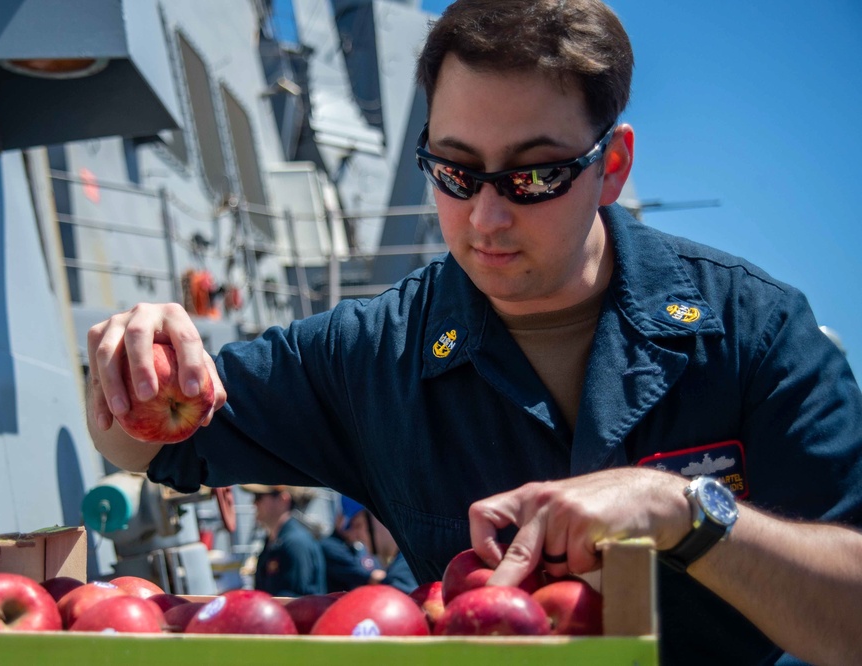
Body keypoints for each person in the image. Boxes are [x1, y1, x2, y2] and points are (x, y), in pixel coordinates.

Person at [85, 1, 862, 663]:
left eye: (534, 176)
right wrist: (127, 371)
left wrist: (685, 512)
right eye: (455, 171)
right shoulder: (372, 356)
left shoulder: (749, 331)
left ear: (613, 166)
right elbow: (158, 445)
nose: (487, 218)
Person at [242, 484, 326, 597]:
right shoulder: (273, 541)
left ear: (283, 499)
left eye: (259, 496)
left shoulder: (295, 543)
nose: (254, 503)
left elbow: (295, 601)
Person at [320, 495, 385, 592]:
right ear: (339, 517)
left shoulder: (359, 546)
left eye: (358, 525)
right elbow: (369, 577)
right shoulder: (330, 546)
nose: (355, 532)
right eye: (351, 526)